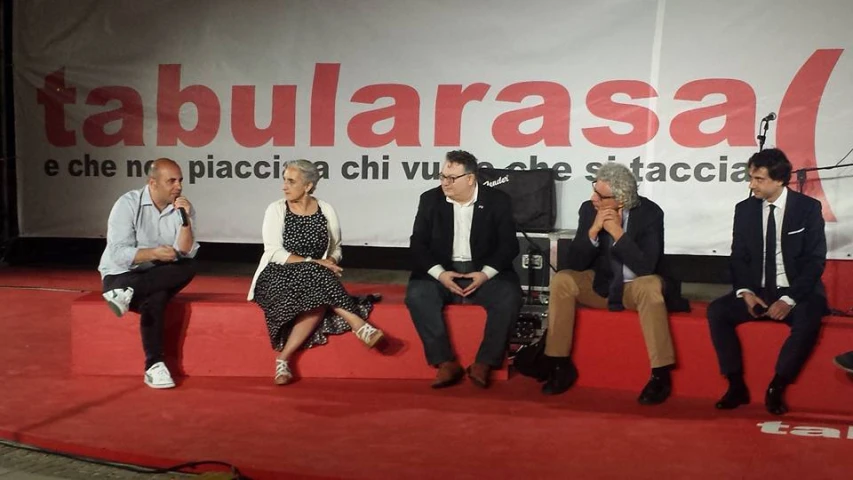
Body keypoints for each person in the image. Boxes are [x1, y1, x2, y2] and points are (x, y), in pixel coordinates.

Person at [539, 162, 684, 405]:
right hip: (602, 284)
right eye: (594, 189)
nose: (593, 198)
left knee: (650, 285)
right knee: (563, 280)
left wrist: (618, 233)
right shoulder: (589, 209)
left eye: (601, 195)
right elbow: (574, 263)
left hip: (635, 287)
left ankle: (660, 375)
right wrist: (593, 232)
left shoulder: (650, 213)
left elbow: (646, 267)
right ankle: (559, 365)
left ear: (621, 199)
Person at [708, 148, 828, 415]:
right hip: (759, 290)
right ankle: (735, 384)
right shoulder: (745, 210)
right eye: (751, 178)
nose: (752, 185)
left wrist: (788, 299)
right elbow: (738, 257)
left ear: (779, 180)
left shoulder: (807, 209)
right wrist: (745, 292)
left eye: (759, 179)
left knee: (810, 317)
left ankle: (777, 386)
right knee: (717, 311)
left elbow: (815, 261)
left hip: (796, 291)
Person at [248, 159, 385, 386]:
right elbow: (273, 252)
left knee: (317, 295)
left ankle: (283, 359)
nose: (284, 186)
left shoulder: (326, 209)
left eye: (291, 181)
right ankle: (358, 324)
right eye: (284, 180)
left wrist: (331, 260)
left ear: (308, 186)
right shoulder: (276, 209)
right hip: (277, 275)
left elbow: (336, 248)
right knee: (316, 272)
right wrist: (314, 262)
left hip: (315, 279)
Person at [405, 150, 522, 389]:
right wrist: (440, 274)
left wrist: (485, 274)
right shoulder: (430, 200)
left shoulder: (497, 200)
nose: (445, 183)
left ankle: (485, 362)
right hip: (443, 270)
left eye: (451, 178)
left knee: (509, 297)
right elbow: (418, 244)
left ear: (470, 178)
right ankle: (445, 362)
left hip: (482, 270)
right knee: (417, 295)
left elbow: (509, 245)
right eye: (442, 176)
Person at [99, 158, 199, 389]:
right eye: (171, 181)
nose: (179, 186)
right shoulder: (127, 204)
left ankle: (128, 293)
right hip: (121, 275)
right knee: (157, 296)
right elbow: (118, 254)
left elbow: (186, 251)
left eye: (180, 180)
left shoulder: (183, 208)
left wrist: (185, 222)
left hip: (153, 276)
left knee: (189, 266)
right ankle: (154, 365)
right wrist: (154, 253)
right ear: (152, 183)